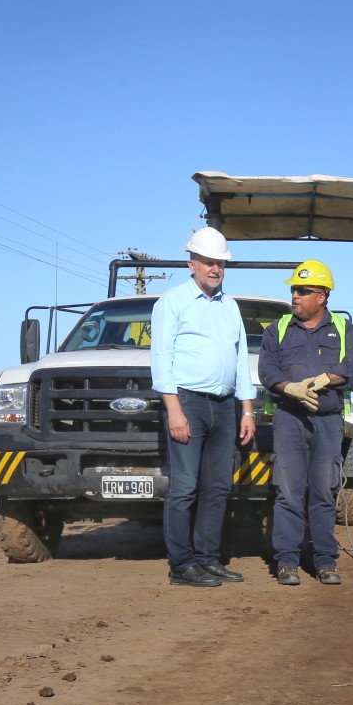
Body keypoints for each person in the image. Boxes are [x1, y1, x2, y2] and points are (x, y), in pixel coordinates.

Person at [149, 227, 256, 588]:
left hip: (224, 407)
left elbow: (240, 360)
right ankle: (181, 565)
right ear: (191, 264)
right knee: (184, 488)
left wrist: (246, 410)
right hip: (188, 403)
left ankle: (208, 559)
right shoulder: (172, 302)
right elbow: (161, 358)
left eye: (220, 263)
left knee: (218, 487)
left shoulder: (230, 306)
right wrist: (174, 410)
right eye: (208, 262)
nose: (215, 268)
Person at [258, 260, 353, 586]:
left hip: (327, 422)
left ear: (321, 296)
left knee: (323, 491)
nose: (295, 295)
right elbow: (267, 368)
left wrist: (327, 378)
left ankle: (325, 561)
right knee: (288, 492)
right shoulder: (277, 329)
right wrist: (288, 387)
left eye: (303, 291)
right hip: (289, 420)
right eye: (294, 289)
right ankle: (287, 562)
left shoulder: (345, 330)